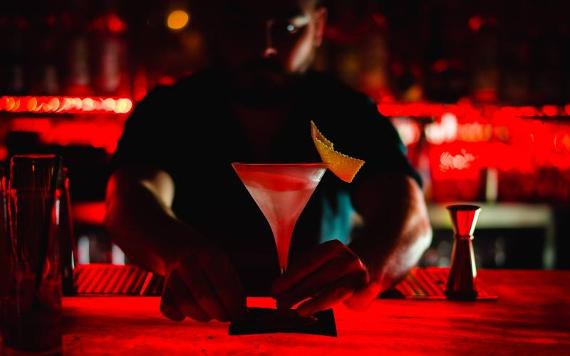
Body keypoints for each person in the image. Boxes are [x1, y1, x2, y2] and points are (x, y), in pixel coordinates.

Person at [105, 0, 432, 323]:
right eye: (242, 24)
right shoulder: (171, 111)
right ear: (217, 25)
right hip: (194, 326)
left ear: (318, 28)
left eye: (288, 28)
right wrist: (175, 252)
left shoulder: (349, 114)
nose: (265, 49)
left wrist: (368, 262)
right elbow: (128, 199)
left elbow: (409, 217)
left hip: (317, 325)